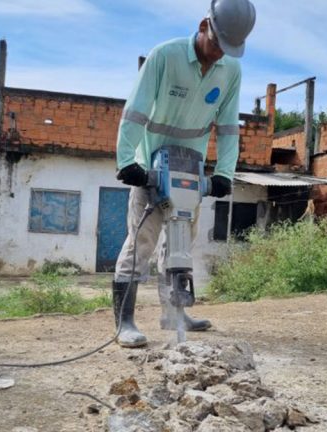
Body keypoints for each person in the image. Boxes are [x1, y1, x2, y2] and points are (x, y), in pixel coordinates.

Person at [112, 0, 256, 348]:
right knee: (140, 245)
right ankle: (125, 323)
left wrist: (223, 172)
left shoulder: (230, 72)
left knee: (179, 247)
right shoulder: (164, 56)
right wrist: (127, 161)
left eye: (228, 49)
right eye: (217, 44)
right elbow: (136, 111)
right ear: (204, 25)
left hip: (190, 171)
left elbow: (228, 128)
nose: (220, 54)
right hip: (151, 170)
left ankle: (173, 314)